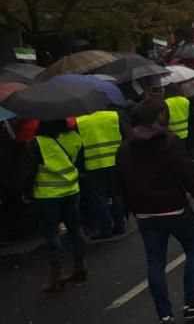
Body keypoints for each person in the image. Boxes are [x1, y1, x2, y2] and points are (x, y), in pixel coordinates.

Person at [115, 99, 194, 324]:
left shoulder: (125, 147)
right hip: (175, 208)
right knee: (193, 249)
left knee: (155, 263)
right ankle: (192, 303)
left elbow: (119, 183)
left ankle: (164, 316)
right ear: (160, 115)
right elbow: (186, 174)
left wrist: (133, 209)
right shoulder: (169, 141)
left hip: (145, 214)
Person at [21, 118, 87, 292]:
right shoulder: (74, 137)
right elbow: (79, 162)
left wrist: (26, 192)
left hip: (47, 195)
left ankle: (57, 276)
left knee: (52, 234)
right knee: (76, 228)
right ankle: (80, 267)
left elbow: (30, 171)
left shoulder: (36, 143)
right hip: (72, 190)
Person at [75, 103, 129, 240]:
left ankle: (106, 228)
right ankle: (120, 225)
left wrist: (80, 167)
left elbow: (78, 147)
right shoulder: (114, 116)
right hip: (115, 161)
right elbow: (126, 137)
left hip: (93, 165)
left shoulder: (80, 122)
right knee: (116, 194)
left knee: (99, 198)